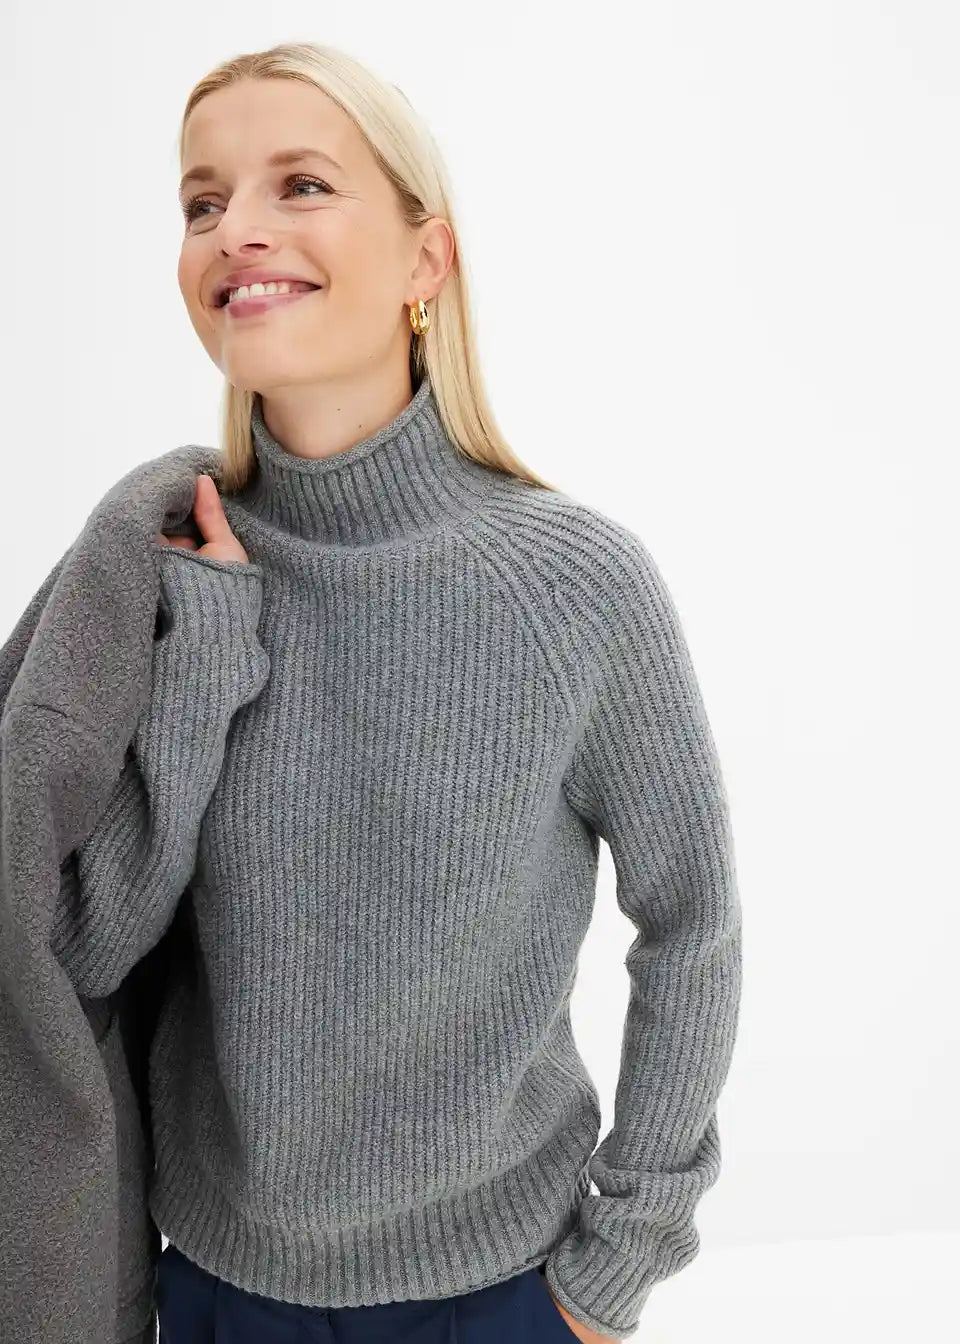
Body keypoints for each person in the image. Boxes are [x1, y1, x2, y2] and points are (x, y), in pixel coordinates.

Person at [75, 39, 742, 1344]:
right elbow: (87, 946)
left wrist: (615, 1269)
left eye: (301, 184)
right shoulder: (165, 570)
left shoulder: (575, 583)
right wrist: (204, 661)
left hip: (504, 1293)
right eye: (203, 200)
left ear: (425, 260)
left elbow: (694, 924)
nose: (237, 228)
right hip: (217, 1293)